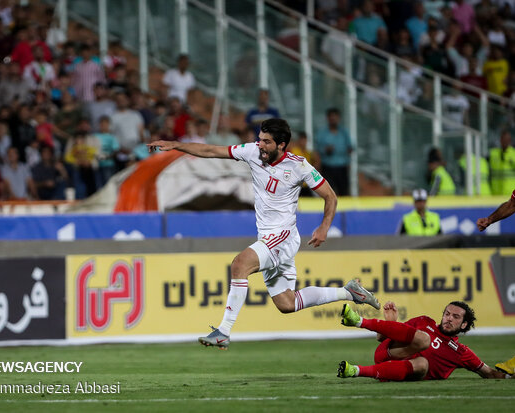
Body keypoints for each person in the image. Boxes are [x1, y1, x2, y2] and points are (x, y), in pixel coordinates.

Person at [147, 118, 380, 350]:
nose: (260, 145)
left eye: (266, 142)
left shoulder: (299, 166)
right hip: (268, 237)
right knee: (287, 303)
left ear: (281, 145)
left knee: (239, 264)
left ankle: (223, 331)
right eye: (259, 139)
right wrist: (176, 145)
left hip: (284, 236)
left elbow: (330, 196)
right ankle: (348, 292)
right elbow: (209, 150)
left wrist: (324, 227)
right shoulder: (251, 152)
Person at [337, 301, 512, 381]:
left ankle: (354, 371)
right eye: (447, 314)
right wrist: (391, 323)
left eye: (455, 317)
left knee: (422, 363)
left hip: (405, 371)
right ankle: (359, 321)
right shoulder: (424, 321)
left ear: (464, 324)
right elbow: (380, 338)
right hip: (388, 352)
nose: (448, 319)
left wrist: (509, 376)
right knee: (424, 339)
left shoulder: (461, 352)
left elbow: (488, 373)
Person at [315, 108, 353, 196]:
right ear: (328, 119)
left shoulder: (344, 132)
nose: (333, 120)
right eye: (331, 118)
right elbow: (317, 150)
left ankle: (344, 209)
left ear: (338, 118)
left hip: (342, 167)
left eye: (335, 118)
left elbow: (350, 148)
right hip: (328, 167)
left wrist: (348, 160)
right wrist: (326, 150)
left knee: (344, 192)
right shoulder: (322, 133)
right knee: (328, 193)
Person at [489, 130, 515, 195]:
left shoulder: (514, 154)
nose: (505, 142)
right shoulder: (493, 154)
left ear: (510, 141)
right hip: (495, 192)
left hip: (510, 192)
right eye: (503, 139)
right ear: (500, 140)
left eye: (507, 140)